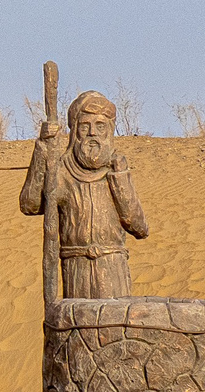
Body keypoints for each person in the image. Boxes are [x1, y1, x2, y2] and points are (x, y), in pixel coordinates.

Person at [20, 89, 148, 299]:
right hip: (76, 269)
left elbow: (139, 227)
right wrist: (42, 150)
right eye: (84, 126)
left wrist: (120, 178)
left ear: (109, 130)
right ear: (74, 131)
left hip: (113, 267)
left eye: (100, 126)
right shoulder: (62, 170)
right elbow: (30, 204)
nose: (92, 133)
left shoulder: (116, 168)